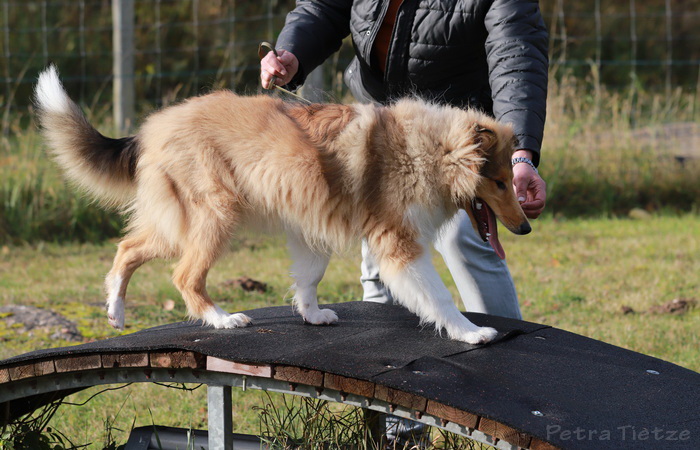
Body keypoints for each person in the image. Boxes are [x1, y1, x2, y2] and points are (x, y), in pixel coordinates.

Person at [261, 0, 548, 446]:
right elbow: (325, 7)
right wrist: (292, 51)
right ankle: (398, 426)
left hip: (465, 135)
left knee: (465, 244)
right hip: (383, 119)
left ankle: (514, 395)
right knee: (381, 264)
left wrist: (520, 153)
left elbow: (516, 51)